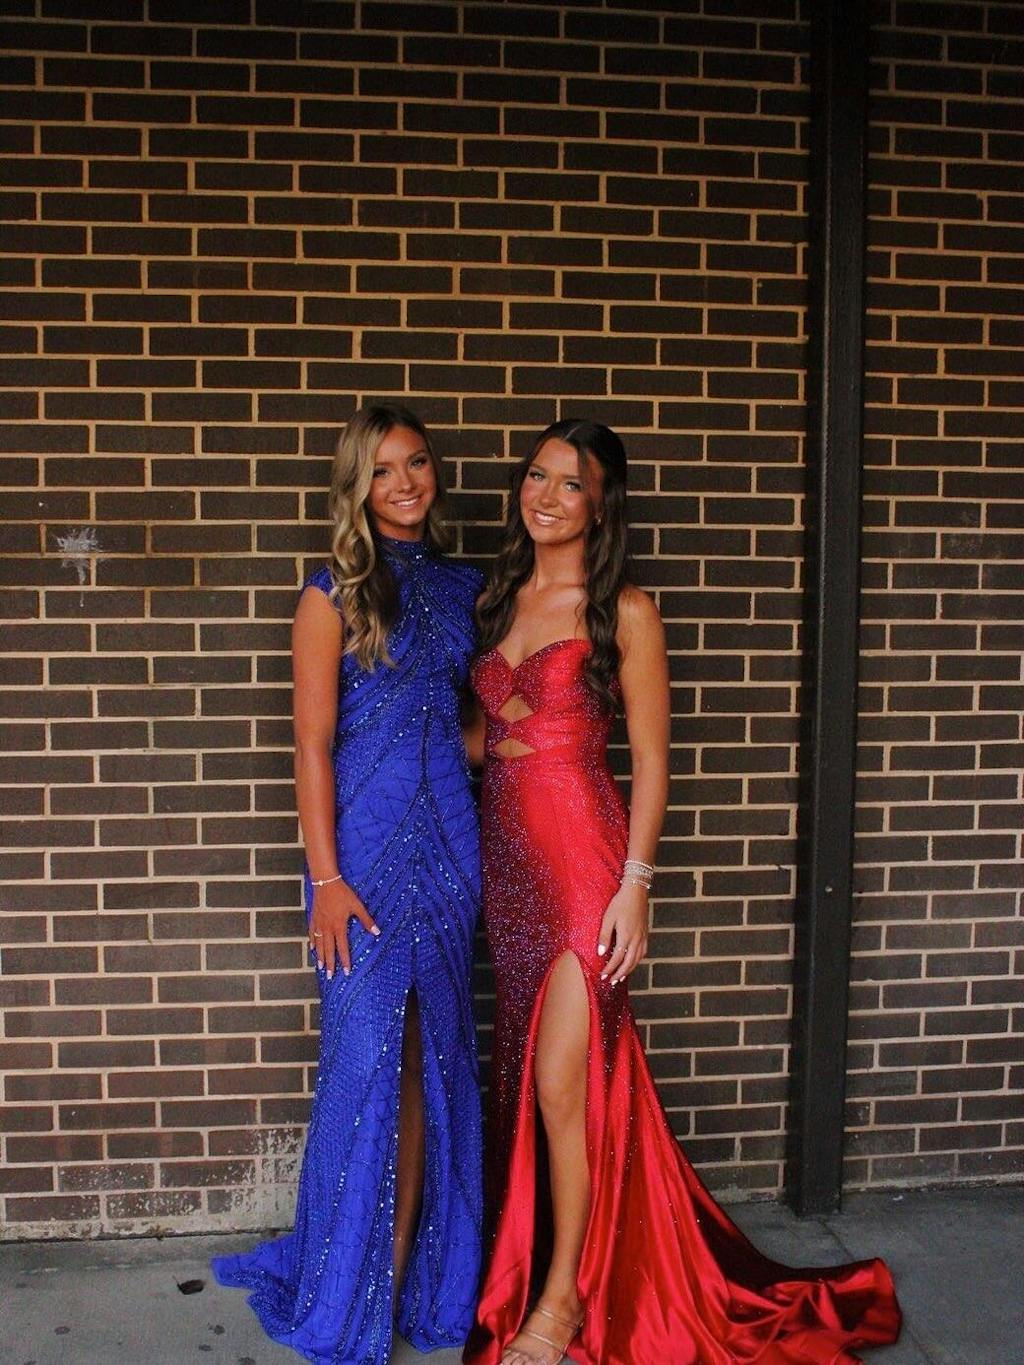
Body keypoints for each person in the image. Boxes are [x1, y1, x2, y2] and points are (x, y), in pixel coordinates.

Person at [464, 419, 901, 1365]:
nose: (545, 496)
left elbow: (654, 761)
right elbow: (488, 736)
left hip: (585, 869)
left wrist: (636, 885)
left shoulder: (625, 609)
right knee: (542, 1084)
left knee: (562, 1083)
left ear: (600, 504)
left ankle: (562, 1301)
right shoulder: (497, 598)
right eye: (536, 475)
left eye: (569, 484)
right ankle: (551, 1262)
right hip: (508, 873)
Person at [212, 405, 484, 1364]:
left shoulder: (464, 588)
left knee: (433, 1057)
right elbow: (312, 744)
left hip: (449, 847)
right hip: (359, 856)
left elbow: (460, 721)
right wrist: (325, 876)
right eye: (383, 470)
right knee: (365, 1058)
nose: (405, 483)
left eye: (418, 463)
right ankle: (346, 1278)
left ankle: (406, 1269)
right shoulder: (332, 592)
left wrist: (515, 739)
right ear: (358, 487)